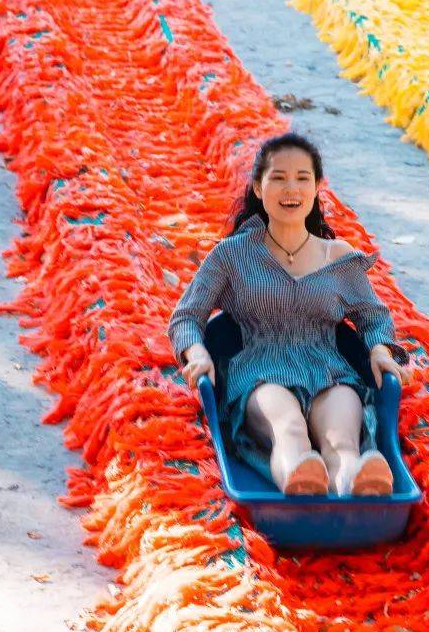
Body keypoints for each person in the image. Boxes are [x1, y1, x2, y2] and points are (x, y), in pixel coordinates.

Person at [167, 132, 413, 497]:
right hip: (260, 373)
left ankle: (353, 485)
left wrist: (379, 349)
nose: (290, 189)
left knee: (342, 440)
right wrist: (197, 353)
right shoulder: (232, 256)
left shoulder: (338, 257)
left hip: (328, 371)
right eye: (278, 178)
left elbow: (373, 317)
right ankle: (300, 482)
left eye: (302, 178)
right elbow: (186, 317)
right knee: (290, 431)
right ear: (257, 186)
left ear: (316, 189)